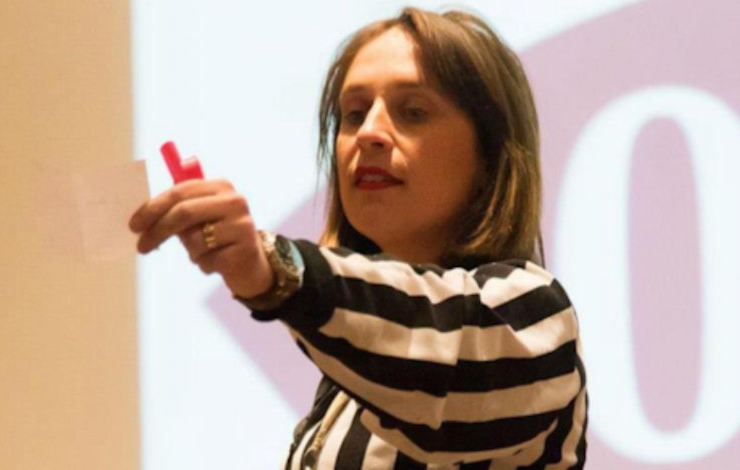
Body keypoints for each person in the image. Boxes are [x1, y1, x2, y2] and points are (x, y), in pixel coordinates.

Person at [129, 6, 587, 469]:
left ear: (490, 156)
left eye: (413, 111)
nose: (368, 133)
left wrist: (271, 268)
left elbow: (438, 356)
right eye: (353, 113)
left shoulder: (532, 317)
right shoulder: (349, 382)